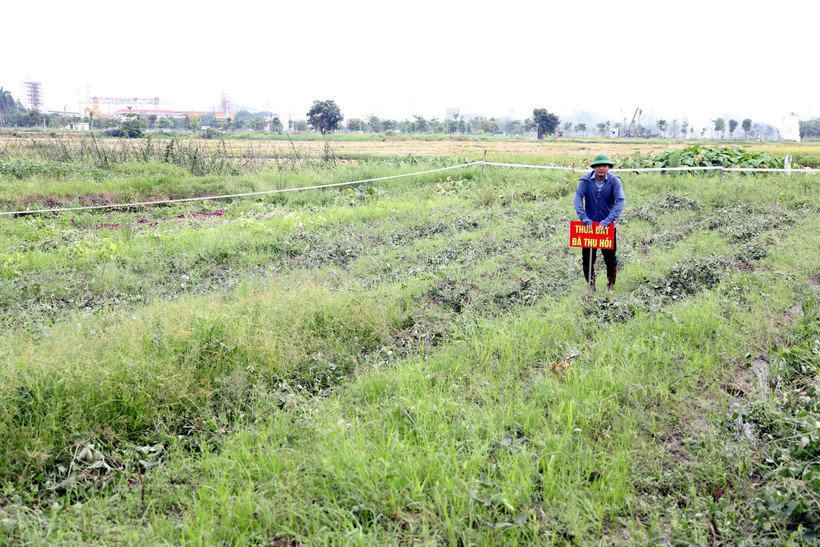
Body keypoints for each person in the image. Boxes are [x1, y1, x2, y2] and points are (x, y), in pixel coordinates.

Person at [573, 154, 625, 292]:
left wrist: (607, 221)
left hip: (606, 228)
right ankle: (591, 284)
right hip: (589, 227)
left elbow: (620, 201)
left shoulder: (614, 181)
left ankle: (610, 284)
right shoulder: (585, 181)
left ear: (608, 167)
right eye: (598, 166)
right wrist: (584, 219)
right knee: (588, 258)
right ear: (594, 167)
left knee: (610, 257)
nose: (601, 168)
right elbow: (578, 199)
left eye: (604, 166)